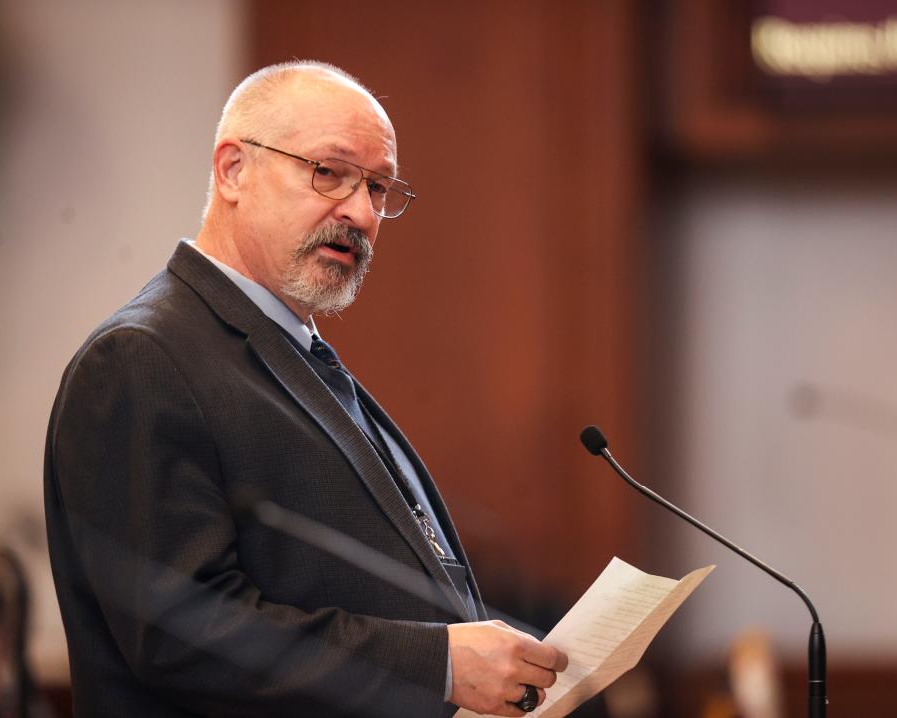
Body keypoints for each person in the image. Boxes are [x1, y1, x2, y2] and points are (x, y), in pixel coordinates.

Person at [44, 61, 567, 718]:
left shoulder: (291, 348)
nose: (360, 211)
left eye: (378, 187)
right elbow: (181, 636)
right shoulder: (143, 357)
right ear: (233, 170)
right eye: (329, 172)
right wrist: (434, 666)